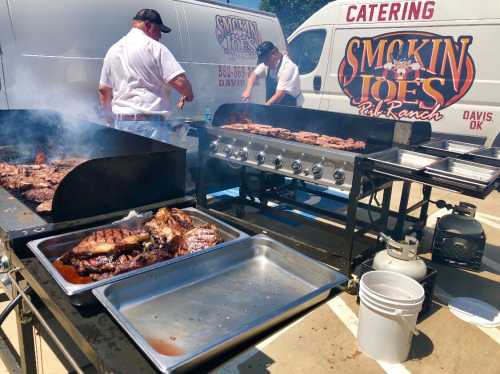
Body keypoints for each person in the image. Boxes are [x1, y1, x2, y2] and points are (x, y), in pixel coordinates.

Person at [98, 9, 194, 140]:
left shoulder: (113, 50)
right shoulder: (155, 47)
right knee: (152, 161)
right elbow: (180, 82)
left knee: (128, 160)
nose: (160, 36)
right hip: (150, 126)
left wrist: (109, 121)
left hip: (121, 124)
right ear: (148, 25)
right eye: (159, 30)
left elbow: (104, 91)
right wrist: (188, 94)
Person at [241, 41, 302, 107]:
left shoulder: (288, 67)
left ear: (274, 54)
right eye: (263, 61)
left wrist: (265, 108)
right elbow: (253, 75)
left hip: (290, 107)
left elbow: (280, 94)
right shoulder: (267, 63)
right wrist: (248, 91)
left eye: (266, 60)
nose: (264, 63)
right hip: (274, 105)